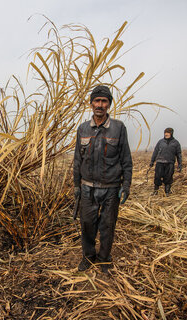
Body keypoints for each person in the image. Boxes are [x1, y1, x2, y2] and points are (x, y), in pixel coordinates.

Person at [73, 85, 133, 273]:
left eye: (104, 101)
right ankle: (88, 257)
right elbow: (77, 160)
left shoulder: (118, 128)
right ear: (91, 103)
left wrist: (126, 186)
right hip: (87, 188)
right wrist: (76, 185)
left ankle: (104, 259)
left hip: (111, 189)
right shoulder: (83, 129)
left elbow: (126, 161)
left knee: (107, 226)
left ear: (109, 105)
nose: (100, 105)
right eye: (97, 101)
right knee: (87, 225)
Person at [149, 128, 182, 195]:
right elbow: (155, 151)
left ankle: (167, 191)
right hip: (160, 162)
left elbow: (179, 154)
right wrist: (152, 161)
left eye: (168, 133)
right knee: (157, 176)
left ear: (171, 133)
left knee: (168, 177)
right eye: (165, 133)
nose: (166, 134)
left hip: (170, 163)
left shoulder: (176, 143)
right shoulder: (160, 142)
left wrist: (180, 164)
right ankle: (155, 191)